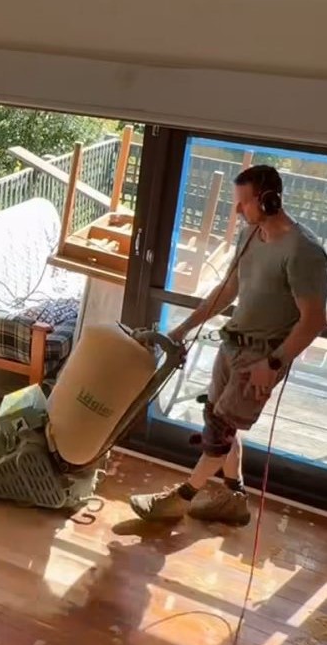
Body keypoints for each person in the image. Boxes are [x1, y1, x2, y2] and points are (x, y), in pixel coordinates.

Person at [130, 165, 327, 525]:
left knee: (219, 429)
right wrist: (183, 329)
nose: (237, 210)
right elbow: (228, 290)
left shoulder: (304, 251)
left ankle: (179, 500)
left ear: (269, 200)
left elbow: (313, 320)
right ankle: (234, 499)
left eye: (243, 202)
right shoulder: (250, 235)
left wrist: (273, 364)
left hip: (262, 358)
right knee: (218, 421)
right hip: (231, 344)